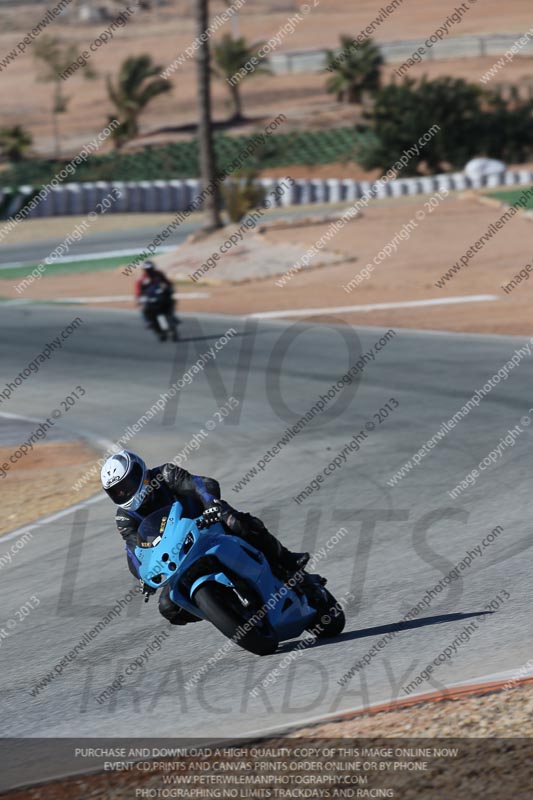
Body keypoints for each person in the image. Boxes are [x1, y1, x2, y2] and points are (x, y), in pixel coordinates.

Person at [101, 450, 309, 626]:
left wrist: (211, 505)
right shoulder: (124, 517)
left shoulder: (165, 474)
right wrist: (143, 576)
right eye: (116, 492)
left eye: (126, 485)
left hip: (208, 523)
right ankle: (227, 612)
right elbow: (134, 550)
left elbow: (201, 484)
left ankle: (287, 560)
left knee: (237, 523)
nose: (123, 492)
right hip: (178, 554)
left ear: (140, 473)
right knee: (169, 607)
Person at [135, 260, 177, 342]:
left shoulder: (158, 274)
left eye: (151, 269)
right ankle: (148, 322)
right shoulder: (141, 279)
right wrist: (139, 299)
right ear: (144, 270)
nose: (150, 271)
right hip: (149, 299)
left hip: (160, 296)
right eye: (148, 270)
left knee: (170, 301)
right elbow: (138, 292)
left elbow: (167, 282)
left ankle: (172, 315)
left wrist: (169, 289)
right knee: (143, 309)